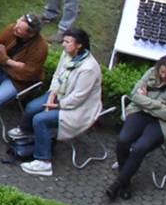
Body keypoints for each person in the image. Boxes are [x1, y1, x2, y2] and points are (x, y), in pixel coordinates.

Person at [8, 27, 101, 175]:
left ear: (79, 45)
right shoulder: (67, 54)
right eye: (64, 41)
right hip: (59, 95)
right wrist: (52, 94)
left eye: (67, 42)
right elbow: (58, 75)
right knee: (32, 107)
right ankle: (28, 133)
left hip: (78, 109)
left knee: (40, 119)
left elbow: (79, 97)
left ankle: (44, 162)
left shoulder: (88, 69)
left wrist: (56, 105)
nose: (63, 45)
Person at [107, 53, 166, 200]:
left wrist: (145, 100)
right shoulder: (151, 73)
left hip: (163, 123)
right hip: (140, 112)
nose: (163, 76)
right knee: (123, 140)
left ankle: (117, 184)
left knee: (140, 148)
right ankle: (125, 181)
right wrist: (158, 105)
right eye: (162, 72)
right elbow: (134, 95)